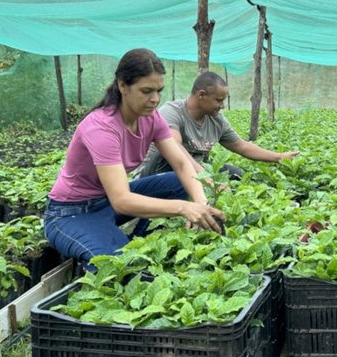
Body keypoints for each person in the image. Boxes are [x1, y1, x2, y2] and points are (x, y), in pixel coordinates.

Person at [43, 48, 224, 269]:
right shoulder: (102, 127)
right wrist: (183, 208)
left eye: (159, 90)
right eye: (146, 91)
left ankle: (139, 238)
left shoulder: (151, 118)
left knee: (178, 182)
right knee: (117, 264)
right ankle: (112, 245)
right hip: (71, 213)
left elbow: (181, 163)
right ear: (122, 86)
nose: (155, 99)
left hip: (106, 203)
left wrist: (200, 203)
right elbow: (121, 200)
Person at [136, 72, 299, 180]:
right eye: (219, 100)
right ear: (201, 95)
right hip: (157, 175)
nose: (222, 106)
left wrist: (279, 157)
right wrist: (204, 178)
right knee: (175, 170)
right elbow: (174, 147)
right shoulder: (172, 112)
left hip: (196, 172)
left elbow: (241, 146)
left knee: (236, 175)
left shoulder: (216, 120)